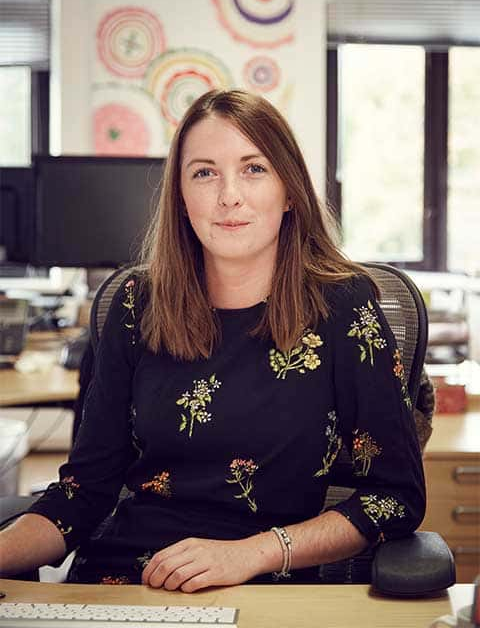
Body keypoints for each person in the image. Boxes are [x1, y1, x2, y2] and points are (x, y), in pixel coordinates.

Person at [0, 89, 425, 591]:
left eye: (254, 168)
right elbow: (83, 494)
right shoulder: (137, 303)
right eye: (204, 172)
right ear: (180, 197)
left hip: (262, 584)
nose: (229, 196)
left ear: (290, 190)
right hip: (122, 581)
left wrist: (253, 554)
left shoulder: (343, 305)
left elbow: (394, 498)